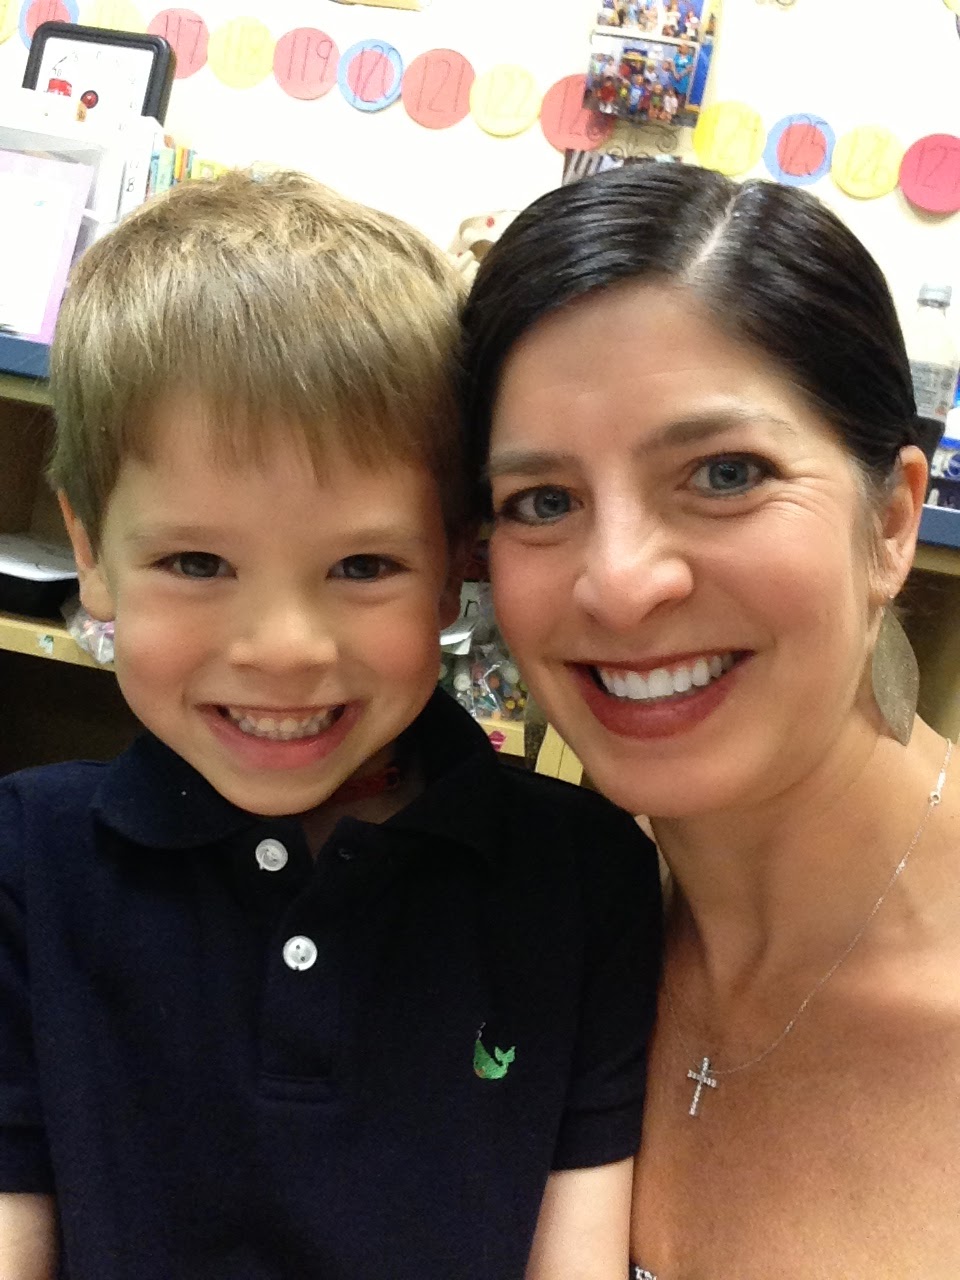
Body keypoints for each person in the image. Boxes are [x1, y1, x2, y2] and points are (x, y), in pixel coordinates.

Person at [0, 170, 663, 1280]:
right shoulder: (25, 864)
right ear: (90, 550)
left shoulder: (586, 879)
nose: (284, 648)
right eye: (196, 562)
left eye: (362, 565)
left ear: (456, 563)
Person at [461, 162, 960, 1277]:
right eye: (542, 501)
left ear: (891, 521)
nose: (619, 584)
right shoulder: (530, 941)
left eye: (726, 473)